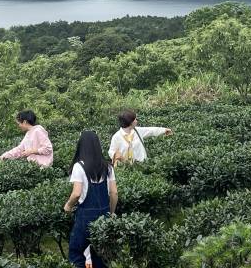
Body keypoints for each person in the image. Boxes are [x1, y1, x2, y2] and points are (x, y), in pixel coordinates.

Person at [64, 130, 118, 268]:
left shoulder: (79, 167)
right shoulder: (108, 166)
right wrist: (111, 213)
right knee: (100, 254)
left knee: (76, 252)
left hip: (85, 216)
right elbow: (114, 193)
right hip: (104, 214)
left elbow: (76, 193)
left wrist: (68, 206)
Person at [108, 110, 172, 164]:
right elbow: (111, 151)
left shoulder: (137, 131)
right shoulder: (117, 137)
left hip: (142, 164)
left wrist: (164, 130)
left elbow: (151, 130)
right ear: (130, 122)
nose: (136, 121)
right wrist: (115, 155)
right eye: (134, 119)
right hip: (126, 167)